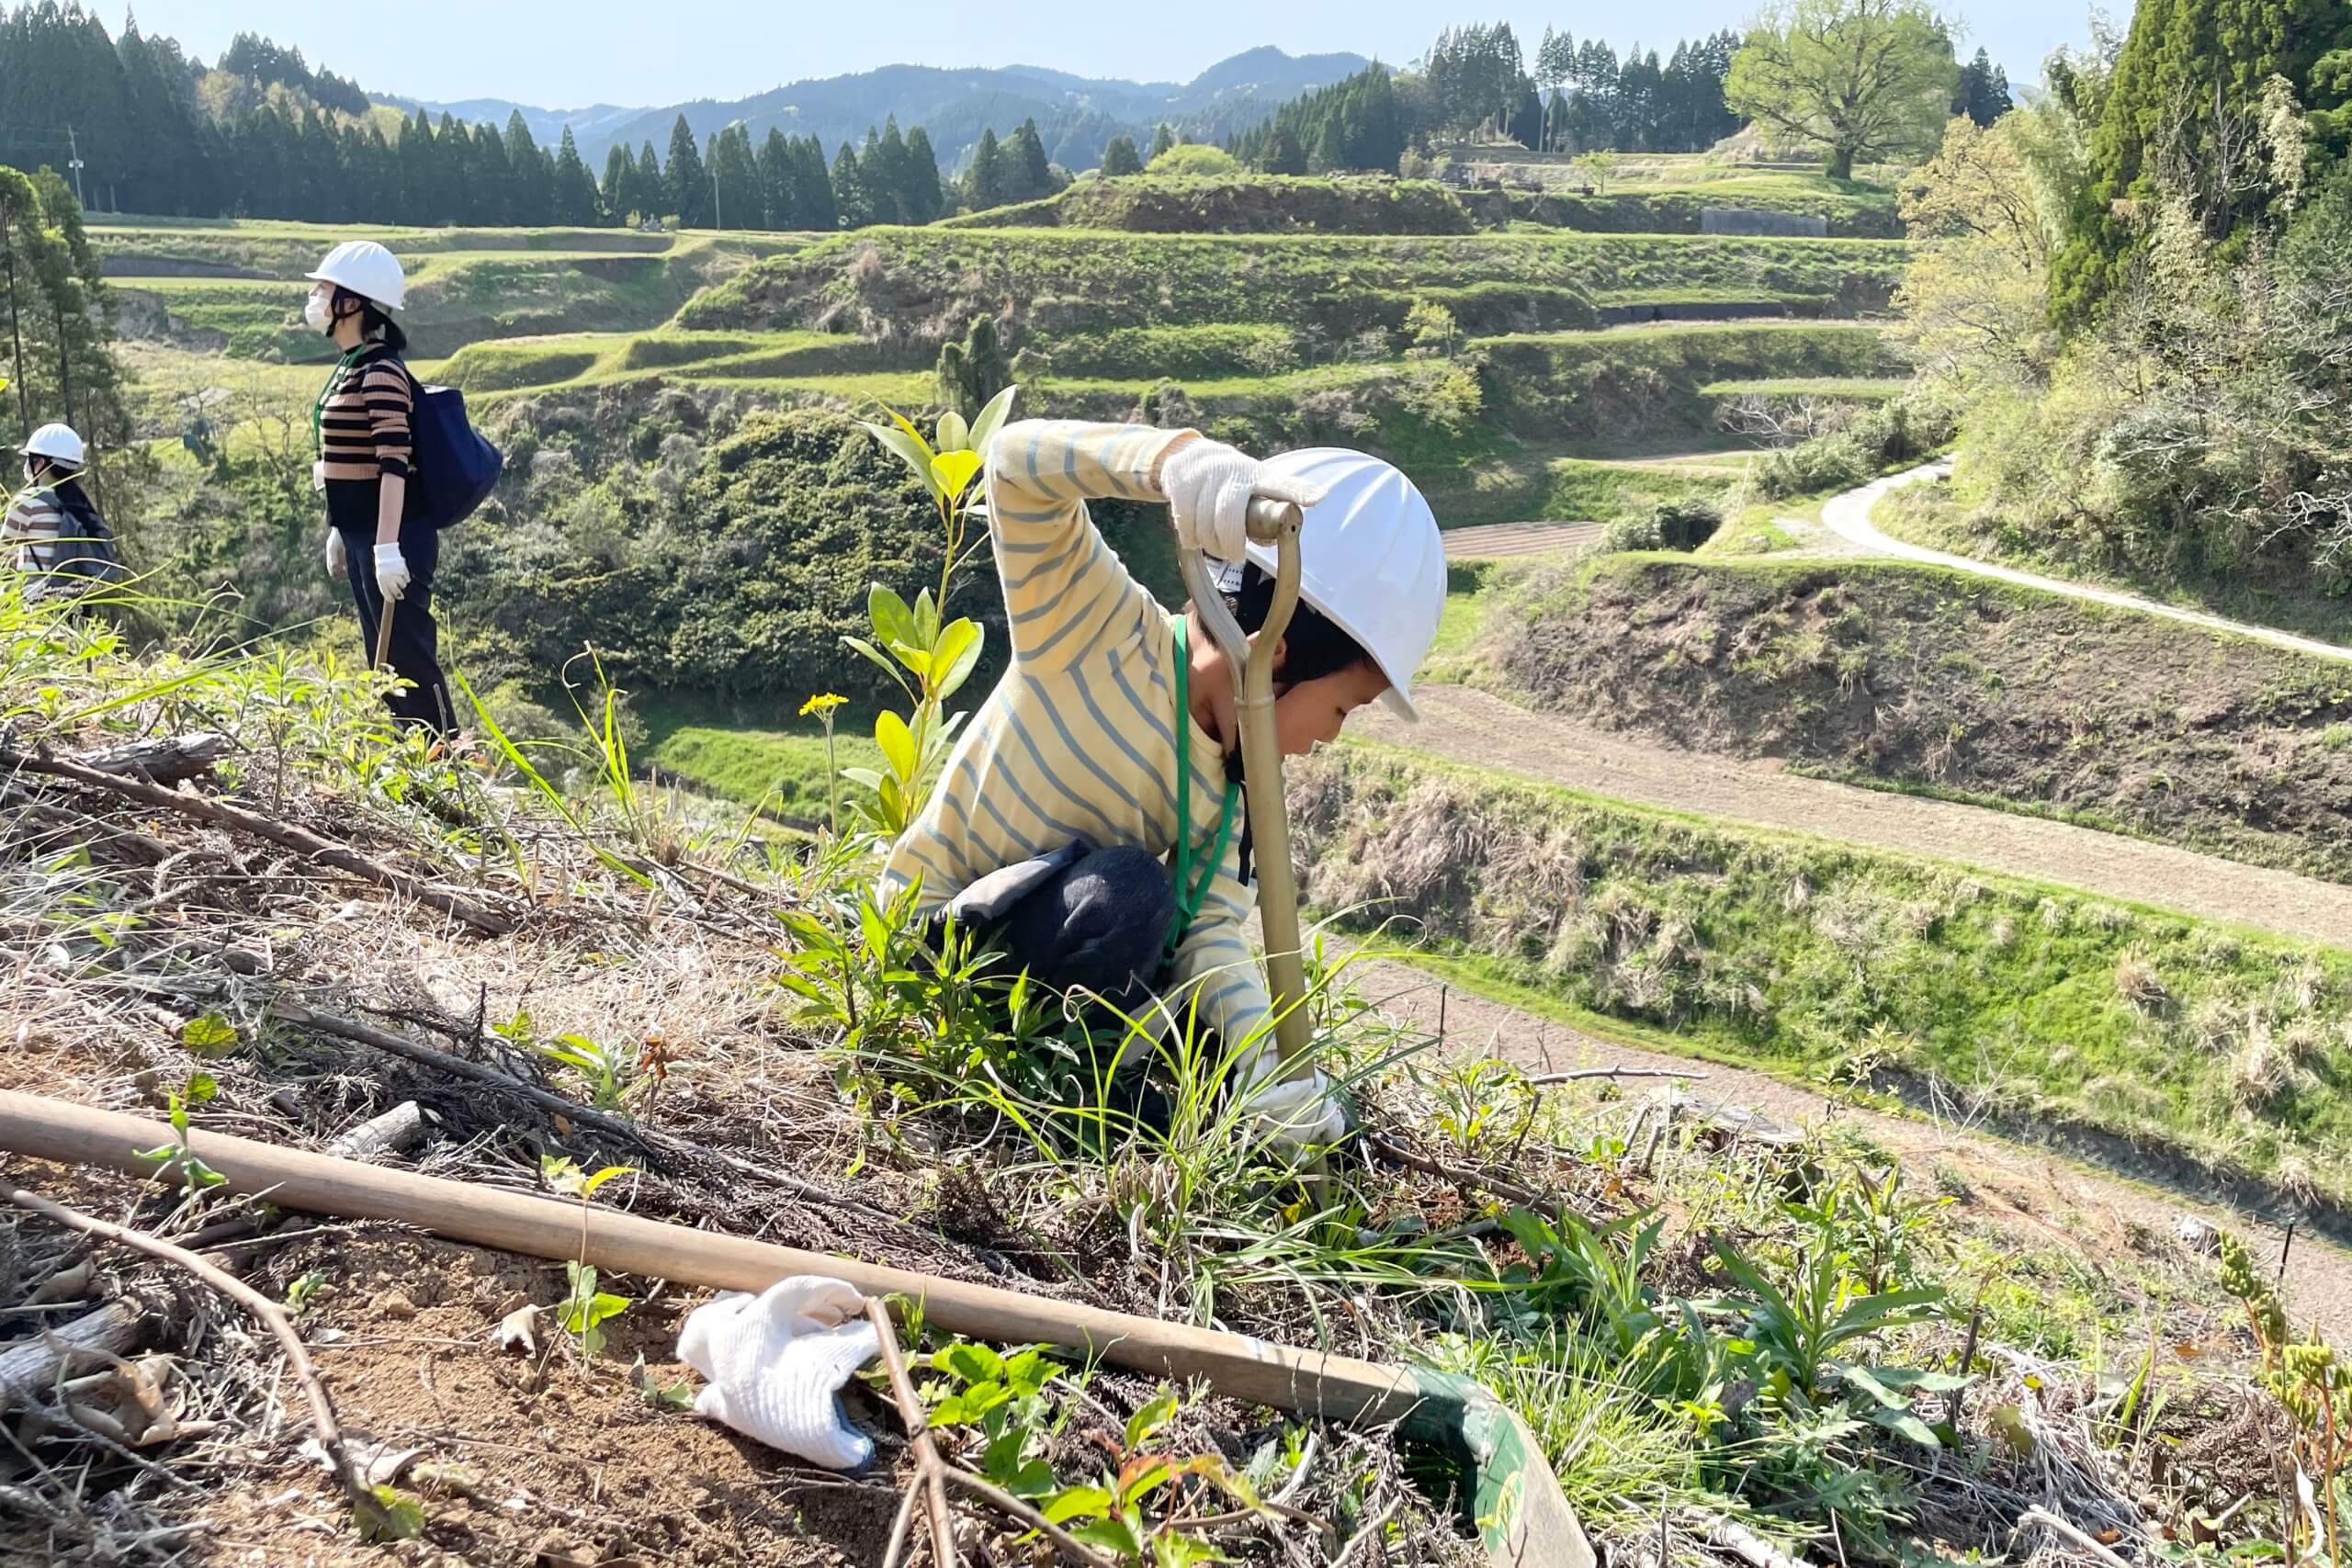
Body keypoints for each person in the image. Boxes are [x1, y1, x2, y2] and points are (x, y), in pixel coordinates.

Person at [882, 421, 1446, 1148]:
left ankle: (1098, 1099)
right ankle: (1054, 1102)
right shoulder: (1095, 628)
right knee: (1131, 892)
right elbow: (1015, 467)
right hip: (936, 951)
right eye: (1342, 707)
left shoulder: (1239, 795)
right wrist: (1170, 461)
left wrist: (1270, 1069)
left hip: (1051, 966)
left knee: (1207, 1044)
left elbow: (1210, 935)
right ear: (1276, 653)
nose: (1329, 737)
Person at [305, 240, 456, 732]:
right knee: (382, 660)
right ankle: (413, 764)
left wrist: (386, 546)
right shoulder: (351, 368)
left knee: (407, 660)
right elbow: (350, 460)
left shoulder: (381, 370)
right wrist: (339, 528)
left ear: (353, 303)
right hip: (362, 533)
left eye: (324, 289)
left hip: (393, 535)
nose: (315, 298)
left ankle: (446, 760)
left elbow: (393, 463)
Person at [4, 422, 103, 602]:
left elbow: (3, 554)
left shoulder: (27, 501)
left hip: (33, 602)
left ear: (41, 463)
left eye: (30, 459)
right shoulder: (80, 504)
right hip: (71, 601)